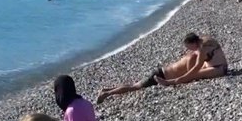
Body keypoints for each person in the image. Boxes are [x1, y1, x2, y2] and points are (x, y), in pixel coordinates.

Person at [96, 33, 227, 103]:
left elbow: (195, 68)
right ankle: (107, 93)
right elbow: (194, 70)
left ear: (194, 42)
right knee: (135, 87)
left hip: (162, 72)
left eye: (189, 47)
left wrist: (184, 78)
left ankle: (108, 90)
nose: (188, 50)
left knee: (134, 85)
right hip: (161, 75)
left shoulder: (199, 51)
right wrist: (180, 80)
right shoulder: (201, 47)